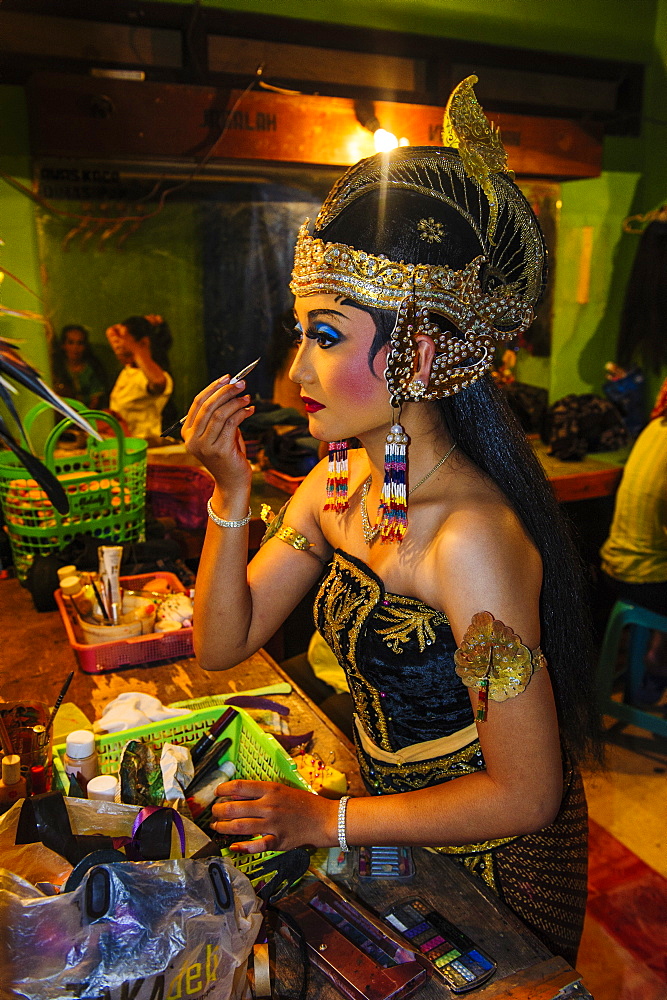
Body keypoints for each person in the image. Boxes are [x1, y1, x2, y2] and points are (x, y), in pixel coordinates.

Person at [183, 77, 601, 966]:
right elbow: (223, 643)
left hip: (493, 872)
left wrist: (320, 817)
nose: (297, 373)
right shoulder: (338, 486)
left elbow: (525, 793)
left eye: (325, 337)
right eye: (301, 335)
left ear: (410, 352)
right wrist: (228, 493)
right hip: (385, 831)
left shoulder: (470, 542)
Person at [599, 402, 667, 704]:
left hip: (614, 563)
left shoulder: (656, 427)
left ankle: (656, 653)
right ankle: (658, 661)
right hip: (645, 578)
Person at [106, 314, 173, 440]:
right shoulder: (129, 370)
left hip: (145, 446)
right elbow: (110, 331)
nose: (117, 344)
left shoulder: (155, 377)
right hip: (124, 444)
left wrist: (137, 350)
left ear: (143, 343)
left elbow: (158, 382)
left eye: (123, 339)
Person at [51, 324, 109, 409]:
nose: (75, 347)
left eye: (80, 343)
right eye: (71, 343)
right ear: (63, 345)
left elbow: (96, 400)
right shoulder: (57, 369)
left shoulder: (92, 369)